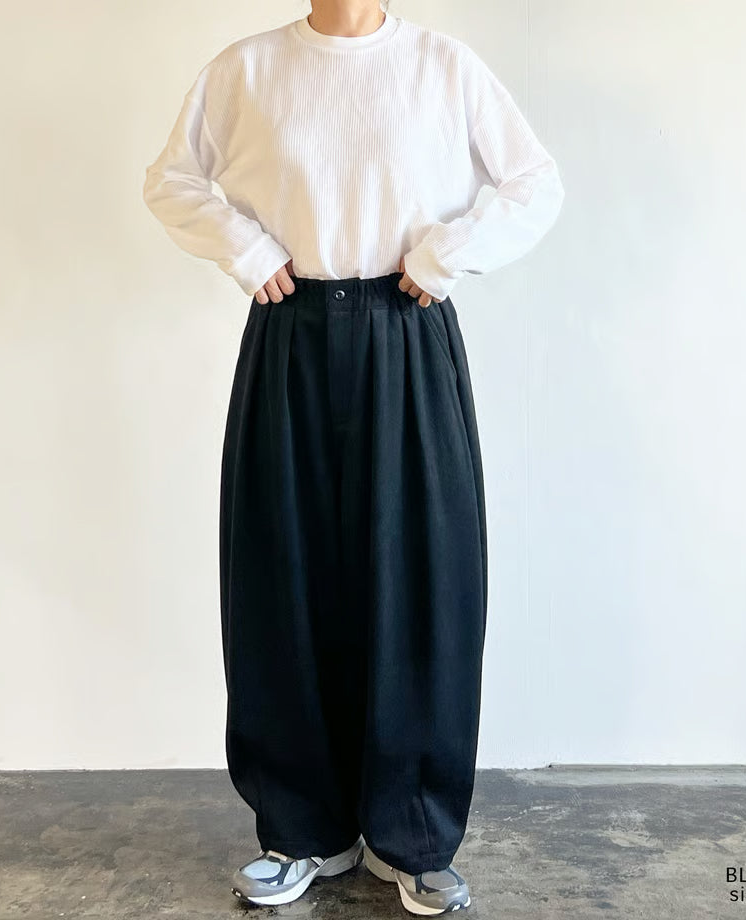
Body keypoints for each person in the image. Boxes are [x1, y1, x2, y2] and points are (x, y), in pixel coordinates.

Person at [142, 0, 564, 913]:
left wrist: (450, 252)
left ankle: (414, 836)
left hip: (407, 328)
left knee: (422, 582)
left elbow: (534, 182)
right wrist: (244, 246)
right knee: (283, 579)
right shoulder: (247, 70)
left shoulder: (443, 67)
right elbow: (172, 180)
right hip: (288, 332)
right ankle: (302, 831)